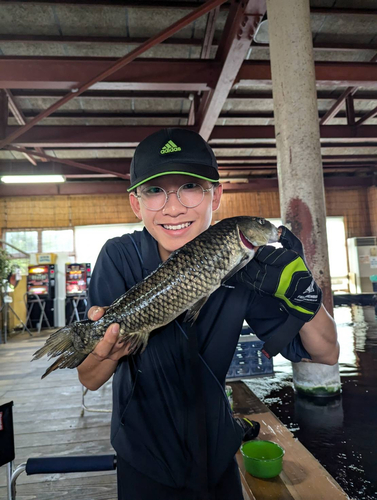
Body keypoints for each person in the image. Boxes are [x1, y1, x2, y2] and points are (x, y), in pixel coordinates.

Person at [78, 128, 339, 500]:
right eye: (155, 191)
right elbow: (90, 378)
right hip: (144, 456)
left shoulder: (245, 264)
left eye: (190, 187)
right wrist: (111, 349)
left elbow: (326, 354)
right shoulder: (119, 257)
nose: (173, 207)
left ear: (216, 195)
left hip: (217, 452)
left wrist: (306, 294)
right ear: (136, 204)